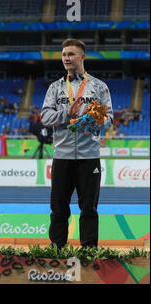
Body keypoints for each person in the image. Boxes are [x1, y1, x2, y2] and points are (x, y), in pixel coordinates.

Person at [41, 38, 113, 249]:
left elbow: (109, 119)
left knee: (89, 208)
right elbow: (45, 116)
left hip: (89, 157)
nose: (66, 58)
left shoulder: (99, 87)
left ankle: (89, 250)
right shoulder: (55, 88)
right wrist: (67, 114)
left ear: (82, 56)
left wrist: (93, 119)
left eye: (71, 54)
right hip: (62, 156)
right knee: (58, 208)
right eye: (64, 55)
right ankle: (57, 248)